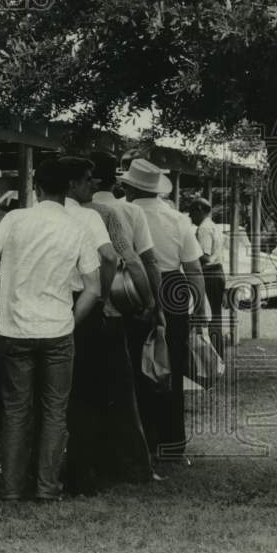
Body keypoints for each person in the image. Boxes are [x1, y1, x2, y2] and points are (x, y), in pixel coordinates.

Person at [0, 159, 100, 501]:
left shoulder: (15, 219)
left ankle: (12, 489)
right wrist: (71, 322)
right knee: (54, 411)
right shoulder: (79, 229)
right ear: (67, 189)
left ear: (36, 186)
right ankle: (47, 487)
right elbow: (94, 288)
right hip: (58, 329)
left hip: (16, 328)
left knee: (16, 410)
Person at [60, 156, 158, 493]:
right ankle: (131, 466)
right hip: (108, 311)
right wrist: (147, 299)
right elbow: (128, 258)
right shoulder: (107, 214)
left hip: (66, 310)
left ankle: (75, 465)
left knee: (77, 394)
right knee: (120, 392)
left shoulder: (52, 213)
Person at [121, 158, 206, 462]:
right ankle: (171, 442)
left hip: (130, 288)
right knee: (171, 364)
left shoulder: (122, 212)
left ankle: (138, 437)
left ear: (129, 186)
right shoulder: (177, 219)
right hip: (173, 289)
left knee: (132, 363)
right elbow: (194, 267)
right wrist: (200, 307)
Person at [87, 152, 163, 484]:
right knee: (126, 383)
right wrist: (153, 303)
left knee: (92, 384)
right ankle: (132, 459)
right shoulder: (128, 212)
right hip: (124, 303)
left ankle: (95, 455)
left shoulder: (75, 211)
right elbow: (147, 261)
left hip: (80, 307)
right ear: (115, 181)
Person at [189, 197, 225, 354]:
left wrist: (188, 255)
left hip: (209, 273)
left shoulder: (203, 228)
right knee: (216, 316)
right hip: (217, 272)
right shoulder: (213, 225)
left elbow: (205, 256)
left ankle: (214, 353)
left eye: (192, 213)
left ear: (199, 209)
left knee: (209, 316)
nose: (191, 218)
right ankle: (218, 352)